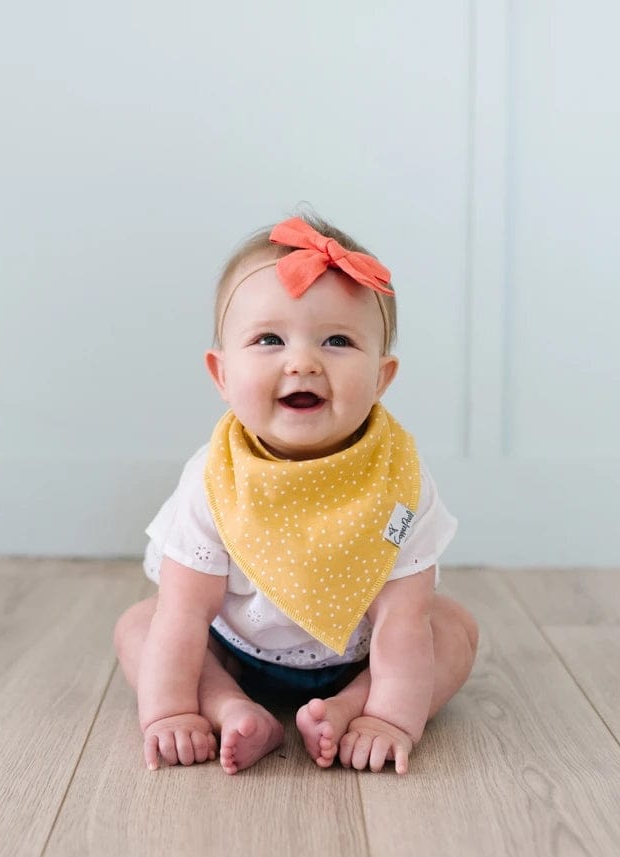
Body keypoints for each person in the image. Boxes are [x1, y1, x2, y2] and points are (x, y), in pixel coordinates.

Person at [113, 213, 479, 775]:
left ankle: (352, 710)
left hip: (361, 658)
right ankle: (227, 706)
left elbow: (402, 620)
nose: (303, 362)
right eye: (269, 339)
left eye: (338, 341)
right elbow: (185, 613)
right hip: (235, 650)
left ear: (381, 378)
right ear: (221, 374)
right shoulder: (214, 479)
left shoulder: (398, 481)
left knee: (454, 629)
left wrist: (391, 719)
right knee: (141, 624)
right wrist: (170, 713)